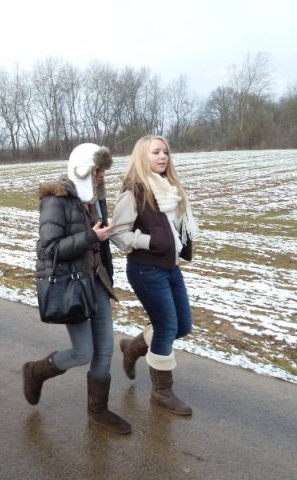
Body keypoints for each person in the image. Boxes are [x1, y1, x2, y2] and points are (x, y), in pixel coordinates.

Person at [22, 143, 131, 435]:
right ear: (83, 170)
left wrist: (107, 269)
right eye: (98, 171)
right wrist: (91, 237)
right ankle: (35, 371)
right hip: (73, 285)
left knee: (105, 349)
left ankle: (98, 410)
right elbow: (48, 249)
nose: (102, 176)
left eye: (103, 171)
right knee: (83, 352)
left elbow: (101, 247)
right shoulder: (55, 200)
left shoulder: (94, 199)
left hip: (97, 282)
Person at [110, 134, 198, 416]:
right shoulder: (134, 192)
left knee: (182, 326)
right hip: (145, 269)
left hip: (171, 268)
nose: (162, 157)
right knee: (166, 326)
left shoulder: (170, 188)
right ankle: (162, 392)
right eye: (155, 152)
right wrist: (150, 242)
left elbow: (174, 228)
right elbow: (118, 234)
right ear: (142, 157)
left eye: (165, 152)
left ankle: (133, 348)